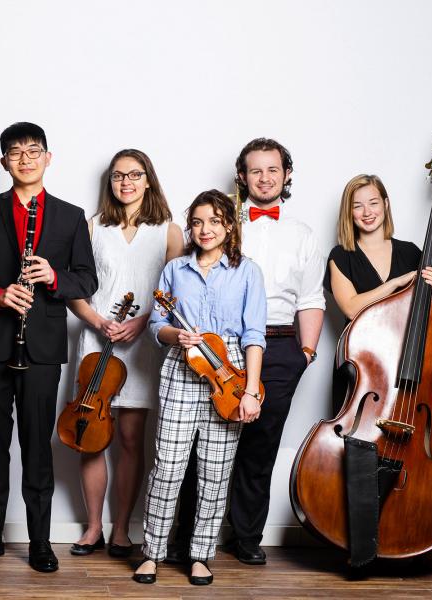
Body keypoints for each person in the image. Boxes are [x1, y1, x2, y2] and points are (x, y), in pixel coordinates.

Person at [168, 138, 325, 566]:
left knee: (259, 444)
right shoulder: (216, 222)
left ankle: (246, 536)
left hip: (278, 346)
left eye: (273, 170)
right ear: (242, 176)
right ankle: (186, 538)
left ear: (286, 175)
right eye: (255, 171)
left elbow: (311, 299)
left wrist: (305, 354)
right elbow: (187, 280)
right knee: (200, 440)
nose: (265, 178)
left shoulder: (303, 234)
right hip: (219, 345)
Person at [0, 122, 97, 573]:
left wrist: (54, 279)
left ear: (48, 158)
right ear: (4, 162)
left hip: (40, 346)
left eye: (34, 150)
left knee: (37, 447)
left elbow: (87, 278)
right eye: (15, 153)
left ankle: (41, 540)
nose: (25, 158)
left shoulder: (70, 215)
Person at [133, 190, 266, 586]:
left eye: (214, 221)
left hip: (231, 372)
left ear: (229, 225)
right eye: (197, 222)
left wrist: (251, 390)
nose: (205, 230)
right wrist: (176, 335)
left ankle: (201, 555)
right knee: (168, 468)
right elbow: (157, 325)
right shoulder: (175, 269)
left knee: (215, 469)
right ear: (189, 226)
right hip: (181, 370)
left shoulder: (248, 271)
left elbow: (254, 333)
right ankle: (152, 553)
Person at [325, 173, 432, 573]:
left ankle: (407, 536)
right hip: (365, 377)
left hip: (407, 378)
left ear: (386, 204)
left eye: (373, 202)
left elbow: (429, 318)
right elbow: (351, 307)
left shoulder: (414, 252)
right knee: (358, 453)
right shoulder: (341, 256)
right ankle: (359, 546)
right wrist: (397, 283)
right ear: (349, 213)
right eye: (358, 205)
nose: (367, 212)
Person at [67, 149, 183, 558]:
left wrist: (143, 322)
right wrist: (98, 322)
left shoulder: (169, 230)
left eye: (135, 175)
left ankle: (120, 529)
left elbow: (175, 293)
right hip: (97, 339)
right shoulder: (92, 226)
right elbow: (74, 289)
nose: (126, 182)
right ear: (110, 182)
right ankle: (93, 527)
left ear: (148, 179)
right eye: (118, 176)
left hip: (144, 342)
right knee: (91, 436)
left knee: (132, 438)